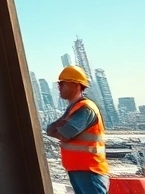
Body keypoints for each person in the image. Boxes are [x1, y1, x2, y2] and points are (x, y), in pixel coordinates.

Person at [44, 65, 109, 194]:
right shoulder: (73, 108)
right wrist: (57, 128)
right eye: (59, 84)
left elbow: (65, 133)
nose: (59, 87)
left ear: (77, 85)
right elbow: (50, 129)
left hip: (90, 170)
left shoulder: (86, 109)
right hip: (78, 169)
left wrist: (58, 128)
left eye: (63, 83)